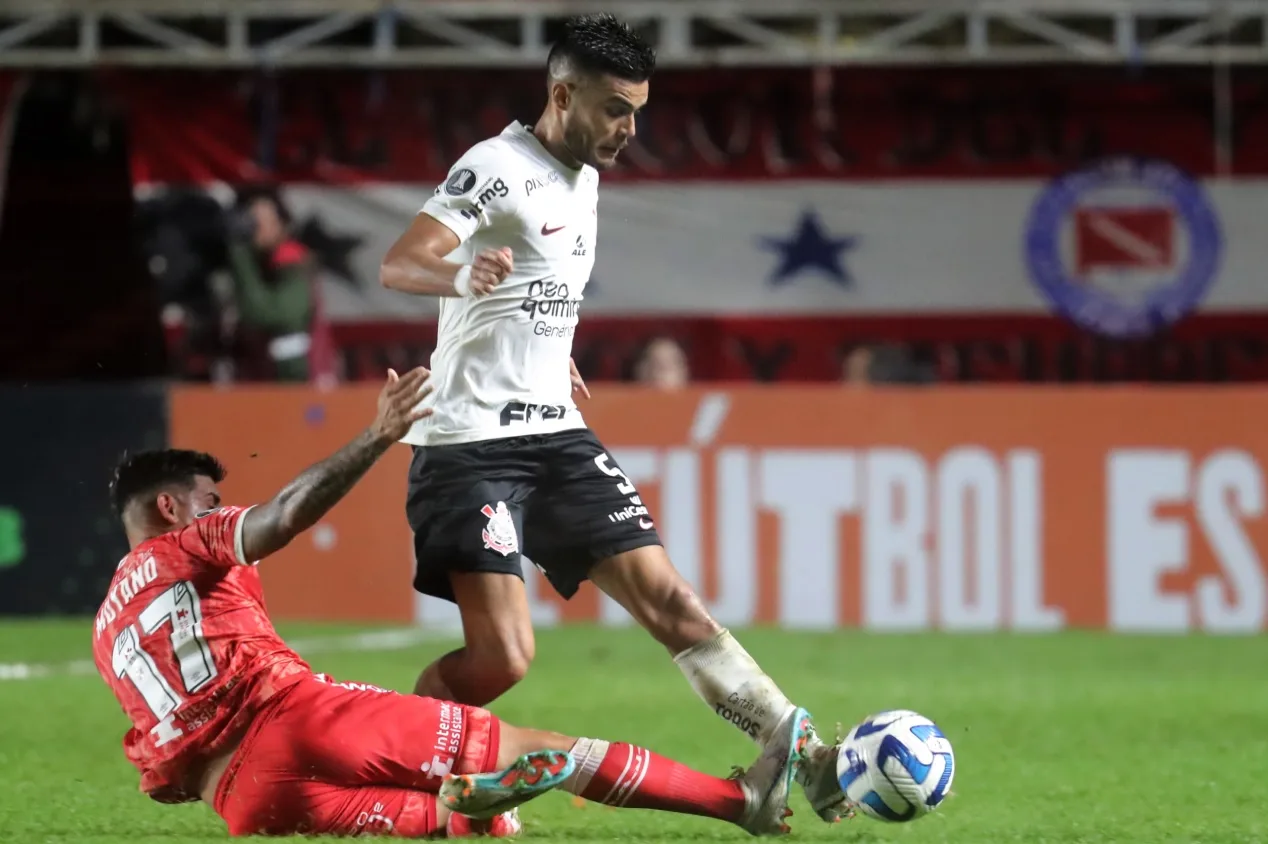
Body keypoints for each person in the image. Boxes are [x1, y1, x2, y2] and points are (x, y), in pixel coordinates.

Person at [379, 13, 846, 822]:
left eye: (637, 110)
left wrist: (548, 350)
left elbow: (538, 290)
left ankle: (797, 756)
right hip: (471, 446)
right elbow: (401, 263)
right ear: (562, 94)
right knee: (503, 659)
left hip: (554, 432)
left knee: (677, 606)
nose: (629, 129)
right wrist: (462, 276)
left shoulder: (585, 177)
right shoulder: (495, 167)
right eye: (614, 109)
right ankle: (411, 778)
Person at [92, 368, 813, 838]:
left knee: (474, 827)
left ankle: (473, 805)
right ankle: (740, 801)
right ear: (168, 507)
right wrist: (378, 434)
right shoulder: (186, 545)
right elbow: (282, 516)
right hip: (301, 724)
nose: (220, 507)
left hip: (245, 802)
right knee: (541, 753)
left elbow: (162, 766)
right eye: (208, 500)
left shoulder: (106, 629)